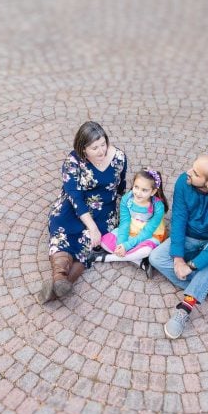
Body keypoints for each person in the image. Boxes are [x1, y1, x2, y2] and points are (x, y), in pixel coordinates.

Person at [149, 155, 208, 339]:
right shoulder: (184, 182)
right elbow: (179, 219)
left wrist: (191, 266)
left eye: (195, 173)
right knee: (156, 258)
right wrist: (178, 258)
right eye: (192, 168)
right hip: (190, 237)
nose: (188, 173)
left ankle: (185, 307)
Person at [38, 121, 128, 303]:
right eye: (95, 148)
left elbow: (121, 185)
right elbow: (74, 196)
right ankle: (60, 276)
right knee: (60, 225)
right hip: (76, 205)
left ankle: (59, 285)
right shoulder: (72, 162)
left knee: (89, 241)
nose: (101, 151)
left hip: (105, 209)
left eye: (103, 144)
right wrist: (91, 225)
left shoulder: (119, 157)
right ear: (83, 149)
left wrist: (125, 209)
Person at [96, 169, 168, 276]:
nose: (138, 193)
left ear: (153, 192)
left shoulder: (158, 206)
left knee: (146, 251)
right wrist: (121, 244)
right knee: (103, 242)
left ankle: (107, 258)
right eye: (136, 187)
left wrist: (127, 245)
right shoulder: (127, 199)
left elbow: (148, 231)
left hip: (148, 234)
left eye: (144, 190)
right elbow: (124, 222)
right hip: (130, 229)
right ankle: (139, 261)